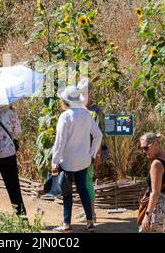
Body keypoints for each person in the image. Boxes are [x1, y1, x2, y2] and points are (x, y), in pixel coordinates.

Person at [51, 85, 103, 233]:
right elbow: (98, 135)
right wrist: (91, 153)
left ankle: (66, 224)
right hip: (83, 161)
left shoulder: (65, 116)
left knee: (67, 192)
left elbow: (60, 142)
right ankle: (90, 223)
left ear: (65, 101)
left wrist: (55, 162)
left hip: (67, 162)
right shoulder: (86, 114)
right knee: (83, 190)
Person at [76, 78, 108, 223]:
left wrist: (98, 154)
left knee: (87, 181)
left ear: (90, 93)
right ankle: (87, 211)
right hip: (81, 151)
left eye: (84, 93)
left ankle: (92, 213)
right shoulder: (81, 109)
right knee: (83, 181)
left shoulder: (96, 111)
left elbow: (100, 133)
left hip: (90, 152)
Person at [139, 132, 165, 233]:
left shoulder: (156, 164)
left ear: (156, 144)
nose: (144, 151)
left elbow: (156, 192)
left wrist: (147, 215)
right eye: (142, 149)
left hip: (161, 209)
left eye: (146, 148)